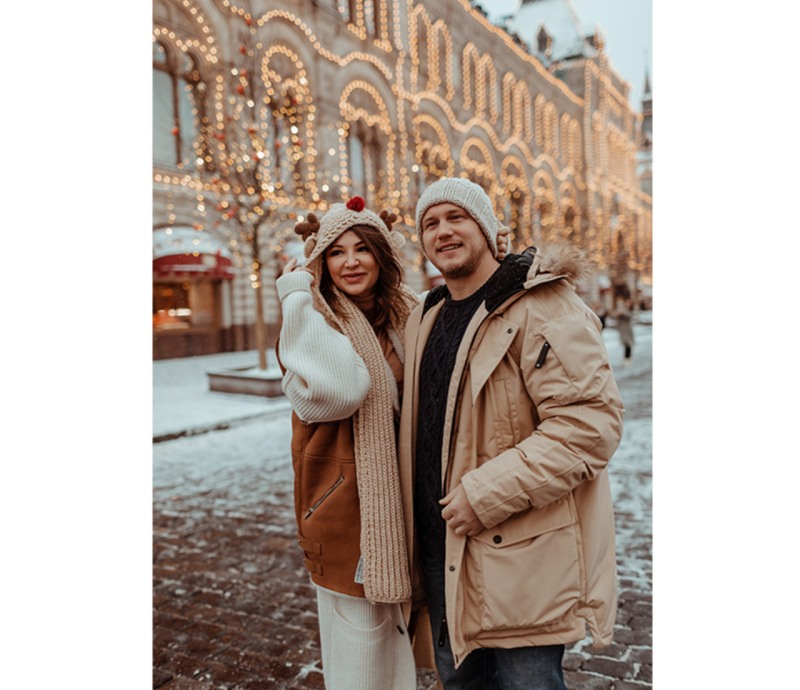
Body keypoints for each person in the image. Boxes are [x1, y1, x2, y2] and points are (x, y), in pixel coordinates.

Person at [397, 177, 625, 689]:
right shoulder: (426, 315)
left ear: (487, 228)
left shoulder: (542, 303)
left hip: (520, 552)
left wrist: (484, 494)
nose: (443, 231)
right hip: (442, 551)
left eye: (456, 217)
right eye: (430, 223)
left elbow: (589, 425)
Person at [275, 196, 420, 689]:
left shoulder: (406, 317)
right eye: (336, 252)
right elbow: (340, 391)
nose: (351, 262)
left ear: (383, 255)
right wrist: (297, 294)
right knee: (360, 657)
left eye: (363, 248)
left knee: (397, 648)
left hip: (408, 508)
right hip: (345, 515)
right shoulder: (310, 323)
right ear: (320, 262)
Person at [612, 290, 635, 367]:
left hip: (627, 330)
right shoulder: (621, 309)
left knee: (628, 344)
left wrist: (621, 313)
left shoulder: (629, 310)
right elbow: (615, 317)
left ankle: (628, 358)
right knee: (626, 344)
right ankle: (626, 358)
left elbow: (628, 316)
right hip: (623, 330)